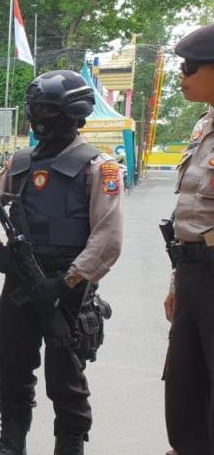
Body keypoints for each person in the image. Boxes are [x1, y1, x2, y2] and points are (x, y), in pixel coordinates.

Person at [0, 70, 122, 455]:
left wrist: (68, 281)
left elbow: (108, 237)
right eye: (35, 109)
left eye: (45, 111)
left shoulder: (98, 167)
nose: (38, 118)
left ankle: (70, 446)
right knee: (12, 367)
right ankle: (11, 442)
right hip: (21, 280)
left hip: (67, 289)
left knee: (66, 376)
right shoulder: (21, 163)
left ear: (72, 113)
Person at [164, 23, 214, 455]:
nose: (182, 76)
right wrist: (178, 281)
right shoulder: (205, 124)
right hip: (194, 272)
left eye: (191, 67)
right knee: (184, 384)